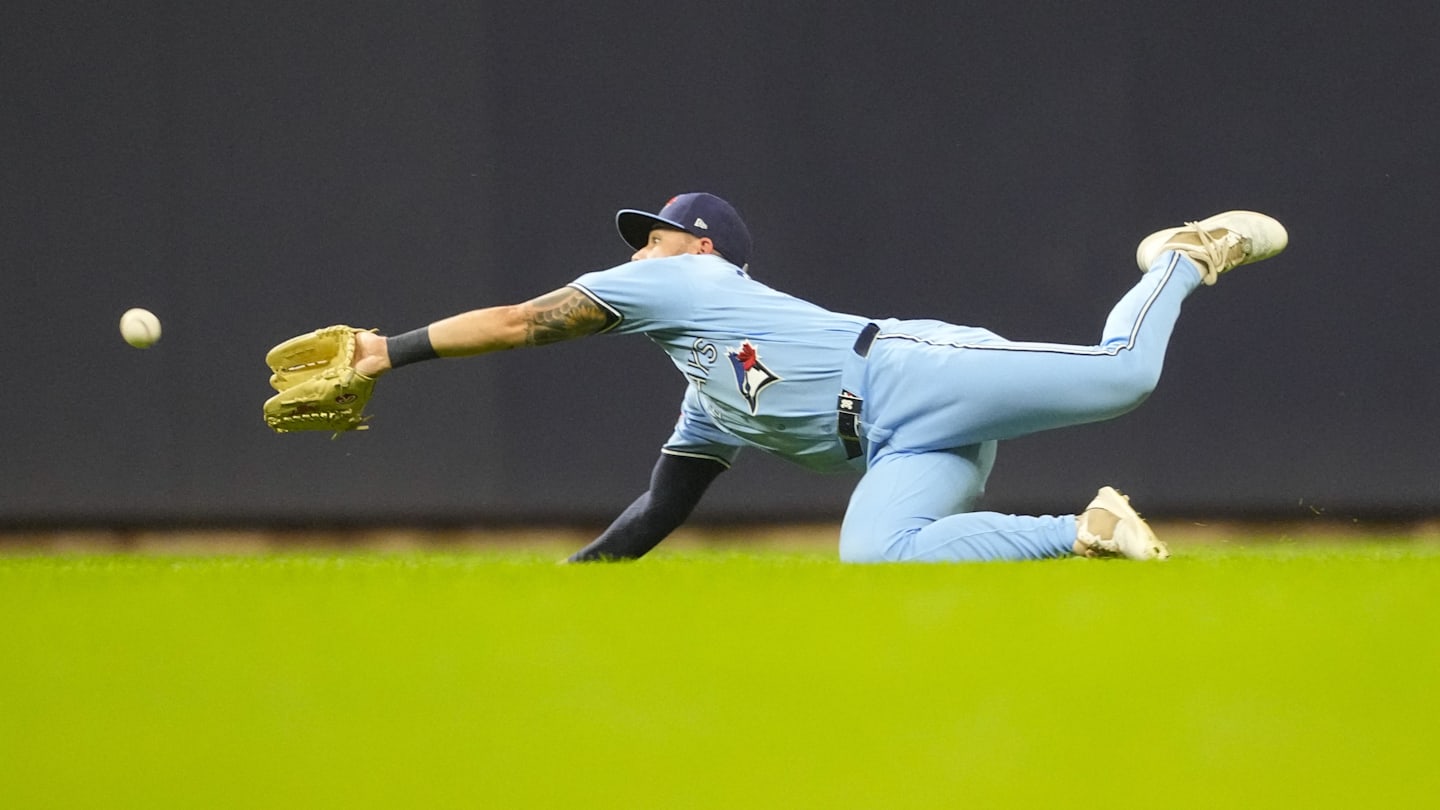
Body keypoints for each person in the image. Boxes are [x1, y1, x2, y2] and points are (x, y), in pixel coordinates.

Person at [347, 193, 1287, 563]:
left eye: (657, 233)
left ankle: (1180, 256)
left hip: (911, 377)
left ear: (700, 247)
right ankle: (1086, 529)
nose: (642, 247)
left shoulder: (686, 280)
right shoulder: (705, 386)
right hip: (902, 447)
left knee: (1122, 375)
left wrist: (389, 351)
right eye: (643, 240)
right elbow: (660, 509)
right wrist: (569, 581)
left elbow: (519, 324)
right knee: (874, 557)